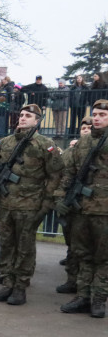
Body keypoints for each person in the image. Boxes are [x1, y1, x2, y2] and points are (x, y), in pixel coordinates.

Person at [0, 103, 63, 305]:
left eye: (28, 115)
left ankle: (20, 287)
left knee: (25, 247)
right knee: (6, 245)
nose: (23, 118)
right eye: (21, 115)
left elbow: (56, 176)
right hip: (6, 203)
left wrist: (46, 204)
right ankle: (7, 283)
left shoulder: (45, 145)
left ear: (37, 120)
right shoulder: (6, 142)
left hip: (30, 205)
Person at [57, 100, 108, 318]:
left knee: (103, 258)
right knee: (83, 255)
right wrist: (61, 196)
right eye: (95, 114)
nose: (97, 118)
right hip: (81, 209)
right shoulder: (83, 144)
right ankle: (82, 296)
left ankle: (98, 300)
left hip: (104, 211)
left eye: (103, 115)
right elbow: (69, 173)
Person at [55, 117, 92, 296]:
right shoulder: (73, 150)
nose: (86, 130)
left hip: (92, 205)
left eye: (89, 127)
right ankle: (72, 280)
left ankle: (88, 285)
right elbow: (63, 171)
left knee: (91, 249)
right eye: (83, 127)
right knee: (73, 244)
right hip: (72, 201)